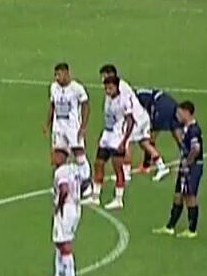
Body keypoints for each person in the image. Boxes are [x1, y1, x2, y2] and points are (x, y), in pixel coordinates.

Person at [45, 62, 94, 204]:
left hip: (73, 128)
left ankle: (87, 185)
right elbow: (52, 106)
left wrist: (83, 126)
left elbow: (86, 106)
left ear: (67, 73)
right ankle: (61, 184)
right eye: (55, 75)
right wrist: (47, 124)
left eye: (59, 74)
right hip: (58, 128)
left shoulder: (76, 88)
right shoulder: (54, 88)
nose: (57, 77)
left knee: (79, 155)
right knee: (58, 159)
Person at [157, 101, 204, 239]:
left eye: (180, 112)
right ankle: (170, 226)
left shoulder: (194, 129)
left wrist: (187, 163)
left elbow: (196, 149)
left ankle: (192, 229)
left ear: (187, 112)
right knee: (178, 195)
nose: (178, 115)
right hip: (185, 166)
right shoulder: (186, 128)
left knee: (190, 196)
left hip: (193, 167)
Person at [45, 147, 83, 276]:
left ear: (61, 156)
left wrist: (59, 206)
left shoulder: (61, 172)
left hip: (66, 208)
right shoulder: (74, 169)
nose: (52, 156)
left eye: (54, 154)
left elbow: (64, 189)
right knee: (59, 242)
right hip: (75, 207)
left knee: (64, 244)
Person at [96, 74, 135, 210]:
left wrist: (124, 141)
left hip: (118, 137)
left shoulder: (124, 100)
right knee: (99, 163)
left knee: (117, 167)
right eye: (106, 88)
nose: (107, 91)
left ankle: (118, 199)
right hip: (107, 135)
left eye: (110, 88)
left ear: (117, 87)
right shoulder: (108, 98)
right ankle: (95, 195)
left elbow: (131, 121)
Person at [135, 84, 181, 177]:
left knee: (148, 138)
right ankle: (189, 162)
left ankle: (147, 165)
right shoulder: (140, 93)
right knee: (176, 132)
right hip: (170, 103)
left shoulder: (133, 99)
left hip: (160, 106)